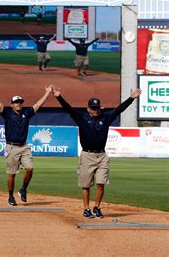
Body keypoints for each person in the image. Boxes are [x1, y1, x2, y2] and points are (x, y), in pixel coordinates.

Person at [51, 86, 141, 218]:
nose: (95, 110)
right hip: (87, 155)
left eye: (97, 108)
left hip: (102, 155)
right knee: (86, 185)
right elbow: (68, 109)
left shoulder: (106, 117)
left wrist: (131, 98)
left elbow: (119, 109)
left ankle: (97, 207)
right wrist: (58, 96)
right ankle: (86, 209)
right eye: (93, 108)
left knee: (101, 184)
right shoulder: (81, 117)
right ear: (88, 109)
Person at [0, 80, 52, 206]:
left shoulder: (26, 113)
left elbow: (38, 105)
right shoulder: (7, 113)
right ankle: (10, 196)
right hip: (11, 147)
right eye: (16, 102)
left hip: (24, 146)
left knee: (30, 168)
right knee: (12, 174)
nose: (18, 104)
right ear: (11, 104)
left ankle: (23, 189)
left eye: (20, 102)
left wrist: (47, 93)